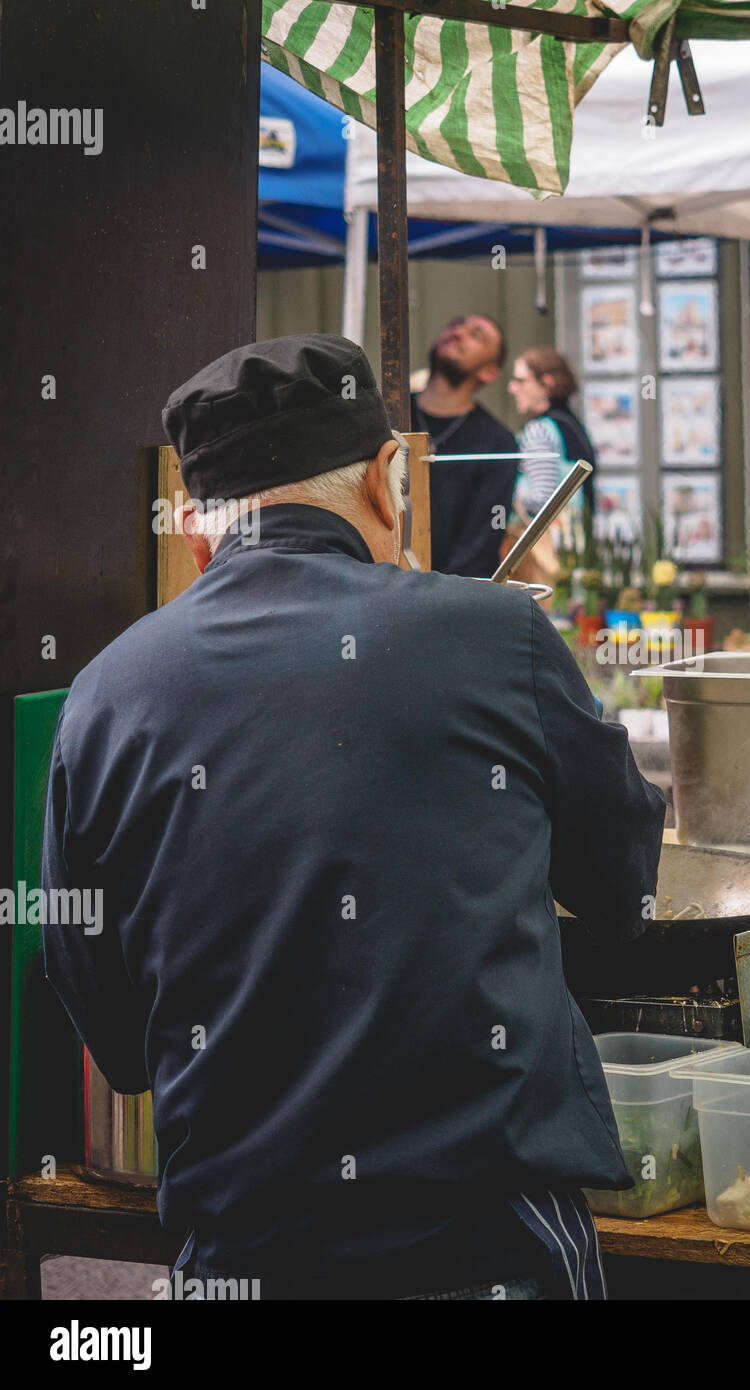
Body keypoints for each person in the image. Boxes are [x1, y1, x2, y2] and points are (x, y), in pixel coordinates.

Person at [42, 334, 666, 1300]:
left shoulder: (102, 694)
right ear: (388, 482)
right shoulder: (497, 632)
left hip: (238, 1254)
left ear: (201, 532)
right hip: (486, 1243)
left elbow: (116, 1037)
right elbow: (624, 898)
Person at [411, 314, 519, 577]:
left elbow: (481, 542)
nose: (458, 332)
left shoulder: (498, 443)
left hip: (449, 596)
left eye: (475, 335)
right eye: (454, 324)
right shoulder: (385, 415)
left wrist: (436, 598)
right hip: (377, 586)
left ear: (489, 372)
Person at [507, 347, 599, 518]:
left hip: (546, 541)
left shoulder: (539, 430)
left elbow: (543, 501)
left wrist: (500, 489)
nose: (512, 388)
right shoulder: (572, 425)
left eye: (521, 381)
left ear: (546, 385)